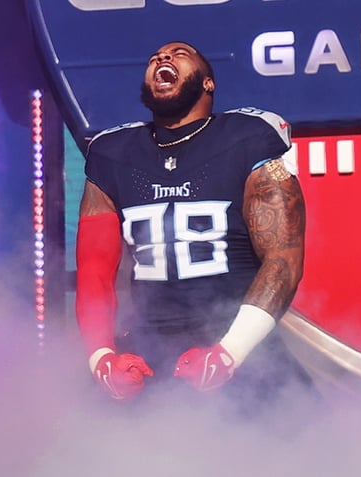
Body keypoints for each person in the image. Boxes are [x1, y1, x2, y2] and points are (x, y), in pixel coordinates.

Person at [75, 41, 307, 404]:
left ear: (208, 82)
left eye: (179, 53)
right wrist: (101, 357)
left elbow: (284, 260)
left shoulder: (248, 136)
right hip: (147, 348)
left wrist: (230, 352)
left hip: (233, 339)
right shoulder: (112, 152)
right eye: (154, 57)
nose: (162, 58)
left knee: (297, 442)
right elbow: (93, 271)